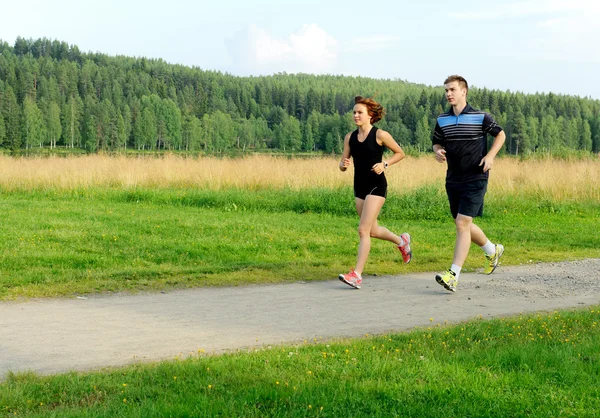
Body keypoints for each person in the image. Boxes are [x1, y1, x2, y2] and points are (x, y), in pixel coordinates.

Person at [432, 75, 506, 292]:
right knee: (462, 223)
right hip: (453, 178)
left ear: (464, 91)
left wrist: (490, 156)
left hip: (476, 177)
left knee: (462, 224)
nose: (448, 94)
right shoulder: (442, 119)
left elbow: (500, 135)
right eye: (446, 90)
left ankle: (453, 274)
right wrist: (438, 152)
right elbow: (436, 142)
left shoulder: (480, 116)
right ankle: (492, 250)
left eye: (452, 89)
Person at [338, 96, 412, 289]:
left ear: (370, 115)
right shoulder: (350, 138)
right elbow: (343, 164)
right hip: (359, 187)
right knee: (372, 230)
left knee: (363, 230)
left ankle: (356, 275)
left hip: (377, 186)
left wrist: (384, 164)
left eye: (359, 112)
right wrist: (343, 164)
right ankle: (401, 241)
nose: (355, 115)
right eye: (354, 112)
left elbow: (400, 153)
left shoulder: (380, 135)